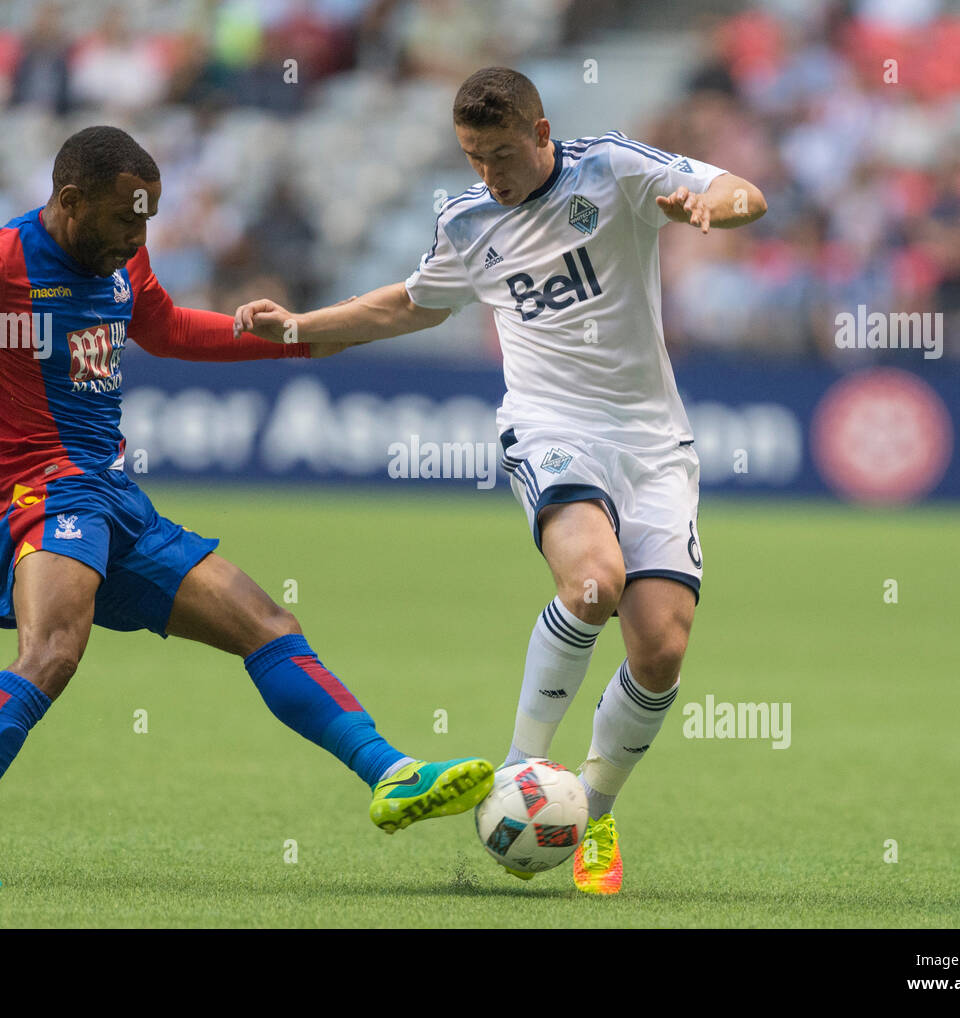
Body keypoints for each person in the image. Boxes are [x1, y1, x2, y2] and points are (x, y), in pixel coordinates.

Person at [0, 125, 494, 886]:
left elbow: (163, 329)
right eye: (126, 219)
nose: (138, 234)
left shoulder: (125, 252)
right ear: (70, 201)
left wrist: (287, 338)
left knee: (267, 624)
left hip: (116, 499)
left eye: (148, 218)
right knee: (52, 652)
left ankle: (391, 773)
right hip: (40, 493)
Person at [234, 68, 767, 895]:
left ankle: (590, 807)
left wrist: (714, 206)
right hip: (552, 428)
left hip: (655, 443)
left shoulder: (614, 170)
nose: (489, 174)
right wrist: (303, 327)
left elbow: (741, 192)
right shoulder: (468, 219)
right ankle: (523, 768)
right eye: (473, 157)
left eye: (501, 155)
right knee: (594, 584)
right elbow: (408, 305)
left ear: (542, 131)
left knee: (660, 646)